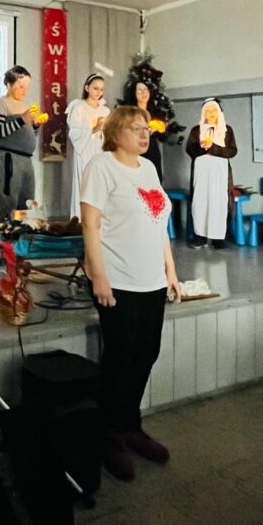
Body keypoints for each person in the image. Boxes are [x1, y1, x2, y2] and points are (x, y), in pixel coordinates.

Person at [80, 106, 181, 482]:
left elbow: (159, 223)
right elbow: (90, 225)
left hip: (151, 280)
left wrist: (171, 271)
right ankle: (108, 433)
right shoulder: (101, 167)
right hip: (118, 279)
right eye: (135, 128)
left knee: (146, 352)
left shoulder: (149, 169)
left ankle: (130, 425)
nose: (144, 134)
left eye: (146, 128)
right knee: (120, 357)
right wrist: (99, 277)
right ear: (114, 133)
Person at [0, 65, 40, 222]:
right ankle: (5, 231)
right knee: (9, 199)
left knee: (27, 199)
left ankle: (21, 231)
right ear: (9, 84)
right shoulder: (1, 103)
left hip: (26, 158)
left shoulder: (25, 106)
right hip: (9, 157)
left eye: (26, 87)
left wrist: (35, 126)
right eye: (20, 86)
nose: (24, 91)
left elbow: (27, 134)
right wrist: (22, 119)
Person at [185, 98, 238, 249]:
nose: (211, 113)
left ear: (219, 112)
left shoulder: (227, 130)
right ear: (203, 113)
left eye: (214, 110)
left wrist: (212, 147)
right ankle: (200, 237)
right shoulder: (196, 130)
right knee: (200, 201)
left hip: (220, 173)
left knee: (218, 201)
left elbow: (232, 151)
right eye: (207, 110)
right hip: (201, 172)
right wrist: (202, 147)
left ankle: (218, 238)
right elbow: (190, 150)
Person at [66, 73, 110, 220]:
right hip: (84, 150)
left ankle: (98, 220)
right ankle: (80, 220)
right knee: (84, 185)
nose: (99, 92)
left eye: (101, 89)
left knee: (99, 184)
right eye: (95, 88)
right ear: (87, 88)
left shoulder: (105, 110)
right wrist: (93, 129)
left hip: (99, 149)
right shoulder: (79, 107)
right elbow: (74, 132)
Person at [125, 80, 164, 180]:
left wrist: (158, 129)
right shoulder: (130, 112)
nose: (143, 93)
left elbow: (163, 135)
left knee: (154, 177)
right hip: (136, 148)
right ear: (134, 94)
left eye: (145, 89)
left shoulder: (155, 111)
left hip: (152, 148)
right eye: (139, 90)